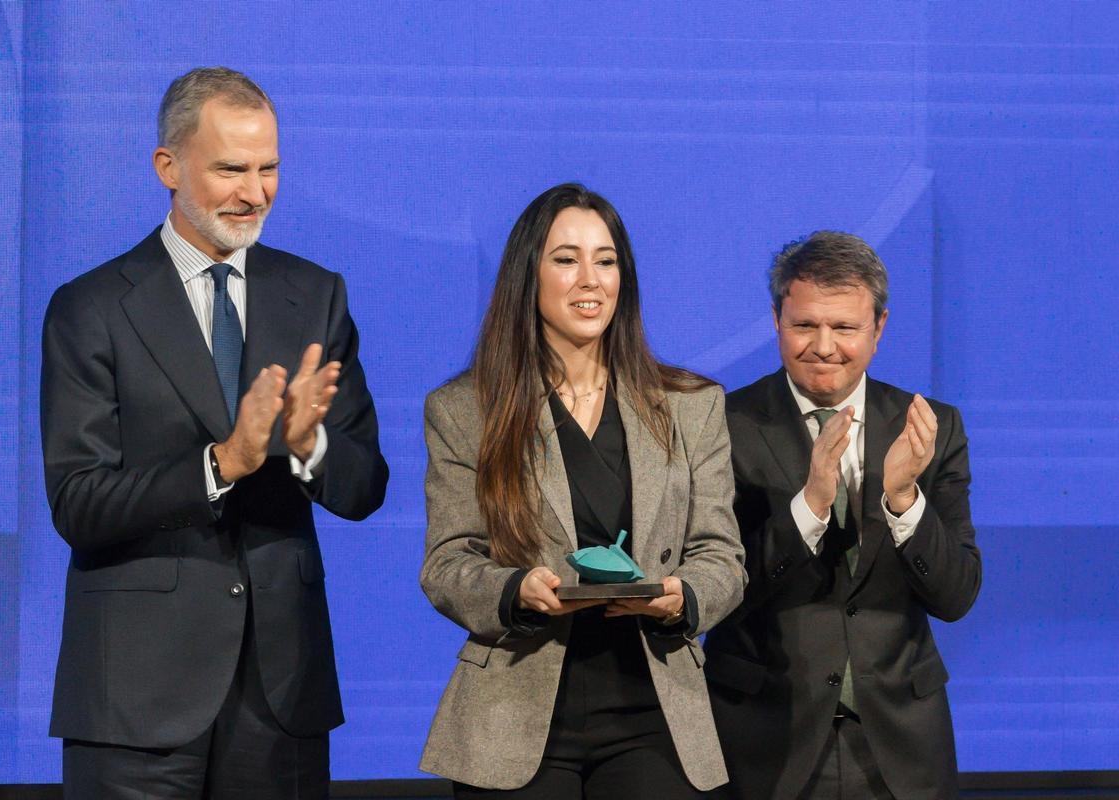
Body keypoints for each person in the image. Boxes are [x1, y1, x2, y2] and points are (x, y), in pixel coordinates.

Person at [40, 67, 388, 799]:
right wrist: (222, 462)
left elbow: (365, 486)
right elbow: (79, 502)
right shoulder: (91, 308)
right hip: (135, 702)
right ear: (168, 166)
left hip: (279, 694)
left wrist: (309, 446)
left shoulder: (316, 295)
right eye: (232, 169)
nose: (255, 192)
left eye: (269, 170)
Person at [419, 183, 746, 798]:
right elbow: (447, 562)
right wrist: (517, 589)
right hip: (515, 707)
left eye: (606, 260)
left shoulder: (691, 406)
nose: (589, 279)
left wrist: (682, 598)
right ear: (528, 275)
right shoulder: (464, 409)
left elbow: (722, 554)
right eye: (566, 259)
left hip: (654, 705)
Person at [703, 231, 982, 800]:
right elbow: (715, 590)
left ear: (878, 328)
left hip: (902, 747)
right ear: (776, 320)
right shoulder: (718, 425)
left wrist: (904, 500)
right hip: (762, 740)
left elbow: (956, 597)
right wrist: (808, 508)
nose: (823, 346)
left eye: (845, 328)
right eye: (804, 325)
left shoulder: (930, 426)